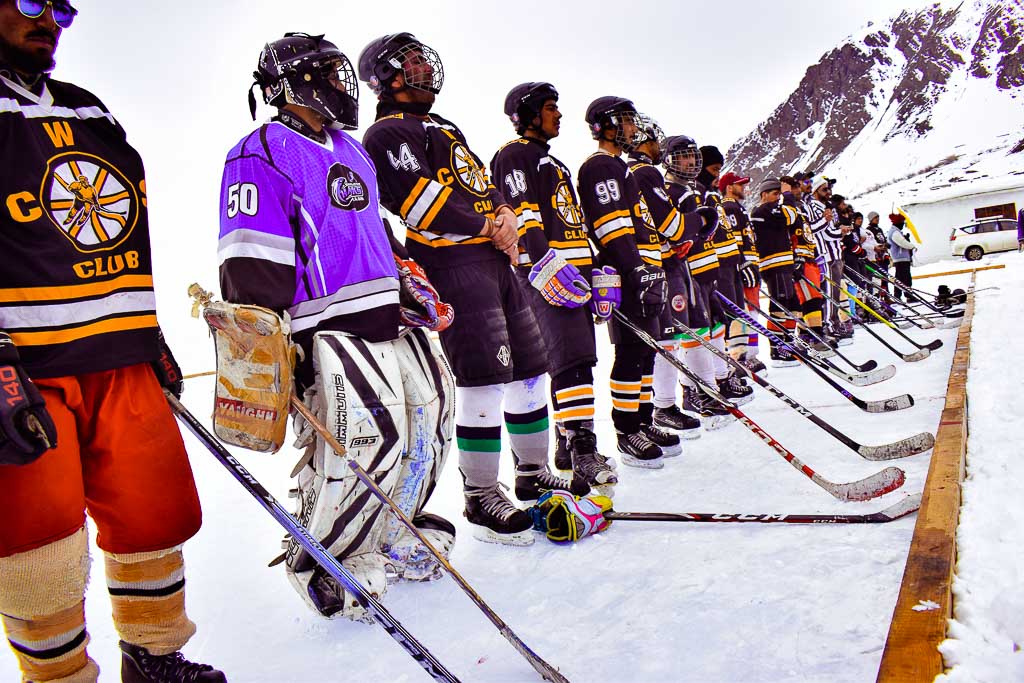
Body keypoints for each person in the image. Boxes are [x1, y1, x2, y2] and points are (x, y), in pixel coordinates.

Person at [0, 2, 224, 680]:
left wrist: (146, 330)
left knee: (156, 513)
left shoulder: (89, 111)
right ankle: (60, 676)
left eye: (62, 7)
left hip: (119, 357)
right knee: (38, 548)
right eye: (32, 2)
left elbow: (122, 230)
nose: (53, 19)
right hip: (26, 370)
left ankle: (152, 657)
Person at [219, 32, 458, 621]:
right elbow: (251, 251)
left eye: (338, 70)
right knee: (364, 442)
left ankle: (399, 530)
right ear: (289, 83)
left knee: (431, 420)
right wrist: (266, 346)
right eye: (324, 71)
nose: (338, 82)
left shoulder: (350, 148)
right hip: (321, 326)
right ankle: (328, 559)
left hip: (386, 314)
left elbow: (368, 228)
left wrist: (406, 279)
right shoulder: (260, 150)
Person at [358, 33, 551, 545]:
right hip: (451, 266)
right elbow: (422, 204)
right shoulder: (384, 134)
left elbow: (480, 185)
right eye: (413, 61)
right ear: (388, 76)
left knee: (531, 369)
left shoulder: (444, 126)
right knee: (483, 379)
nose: (425, 67)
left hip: (494, 263)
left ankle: (534, 472)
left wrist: (505, 214)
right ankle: (481, 493)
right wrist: (490, 226)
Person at [489, 82, 618, 494]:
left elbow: (571, 223)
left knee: (578, 359)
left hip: (572, 274)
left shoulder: (553, 162)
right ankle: (583, 450)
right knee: (570, 360)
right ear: (526, 115)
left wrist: (596, 265)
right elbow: (523, 215)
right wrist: (543, 261)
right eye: (549, 108)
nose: (558, 114)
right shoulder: (515, 155)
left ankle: (567, 446)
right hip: (546, 275)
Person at [576, 96, 672, 468]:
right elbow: (611, 225)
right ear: (608, 125)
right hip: (626, 273)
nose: (635, 128)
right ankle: (626, 429)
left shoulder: (620, 167)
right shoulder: (600, 166)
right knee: (631, 351)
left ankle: (643, 421)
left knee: (646, 350)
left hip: (644, 270)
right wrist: (634, 269)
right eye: (628, 121)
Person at [623, 114, 701, 440]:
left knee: (661, 342)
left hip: (659, 267)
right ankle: (660, 408)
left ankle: (656, 412)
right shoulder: (645, 173)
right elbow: (671, 225)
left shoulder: (638, 173)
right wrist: (700, 222)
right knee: (656, 344)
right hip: (653, 271)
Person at [661, 135, 734, 426]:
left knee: (702, 328)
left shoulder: (689, 190)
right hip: (681, 269)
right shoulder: (670, 190)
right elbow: (677, 232)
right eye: (683, 157)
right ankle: (692, 392)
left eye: (692, 156)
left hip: (698, 271)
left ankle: (707, 389)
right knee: (685, 333)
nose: (690, 162)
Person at [750, 178, 802, 366]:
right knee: (779, 306)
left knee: (794, 306)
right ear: (764, 194)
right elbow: (790, 215)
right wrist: (788, 195)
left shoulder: (772, 211)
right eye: (775, 193)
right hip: (773, 264)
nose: (778, 197)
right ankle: (777, 348)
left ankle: (788, 343)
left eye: (779, 194)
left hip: (783, 263)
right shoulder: (763, 210)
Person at [779, 175, 827, 348]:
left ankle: (810, 334)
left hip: (809, 258)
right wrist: (795, 259)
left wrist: (815, 254)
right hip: (799, 259)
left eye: (798, 186)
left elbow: (807, 234)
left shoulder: (800, 209)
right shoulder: (786, 208)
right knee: (810, 298)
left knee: (815, 297)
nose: (798, 190)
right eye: (794, 187)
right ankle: (815, 336)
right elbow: (787, 235)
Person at [887, 212, 916, 300]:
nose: (903, 224)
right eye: (902, 223)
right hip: (900, 258)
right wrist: (912, 246)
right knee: (905, 277)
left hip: (901, 258)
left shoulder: (896, 231)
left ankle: (899, 295)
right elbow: (902, 242)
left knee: (900, 277)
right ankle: (907, 295)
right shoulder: (895, 232)